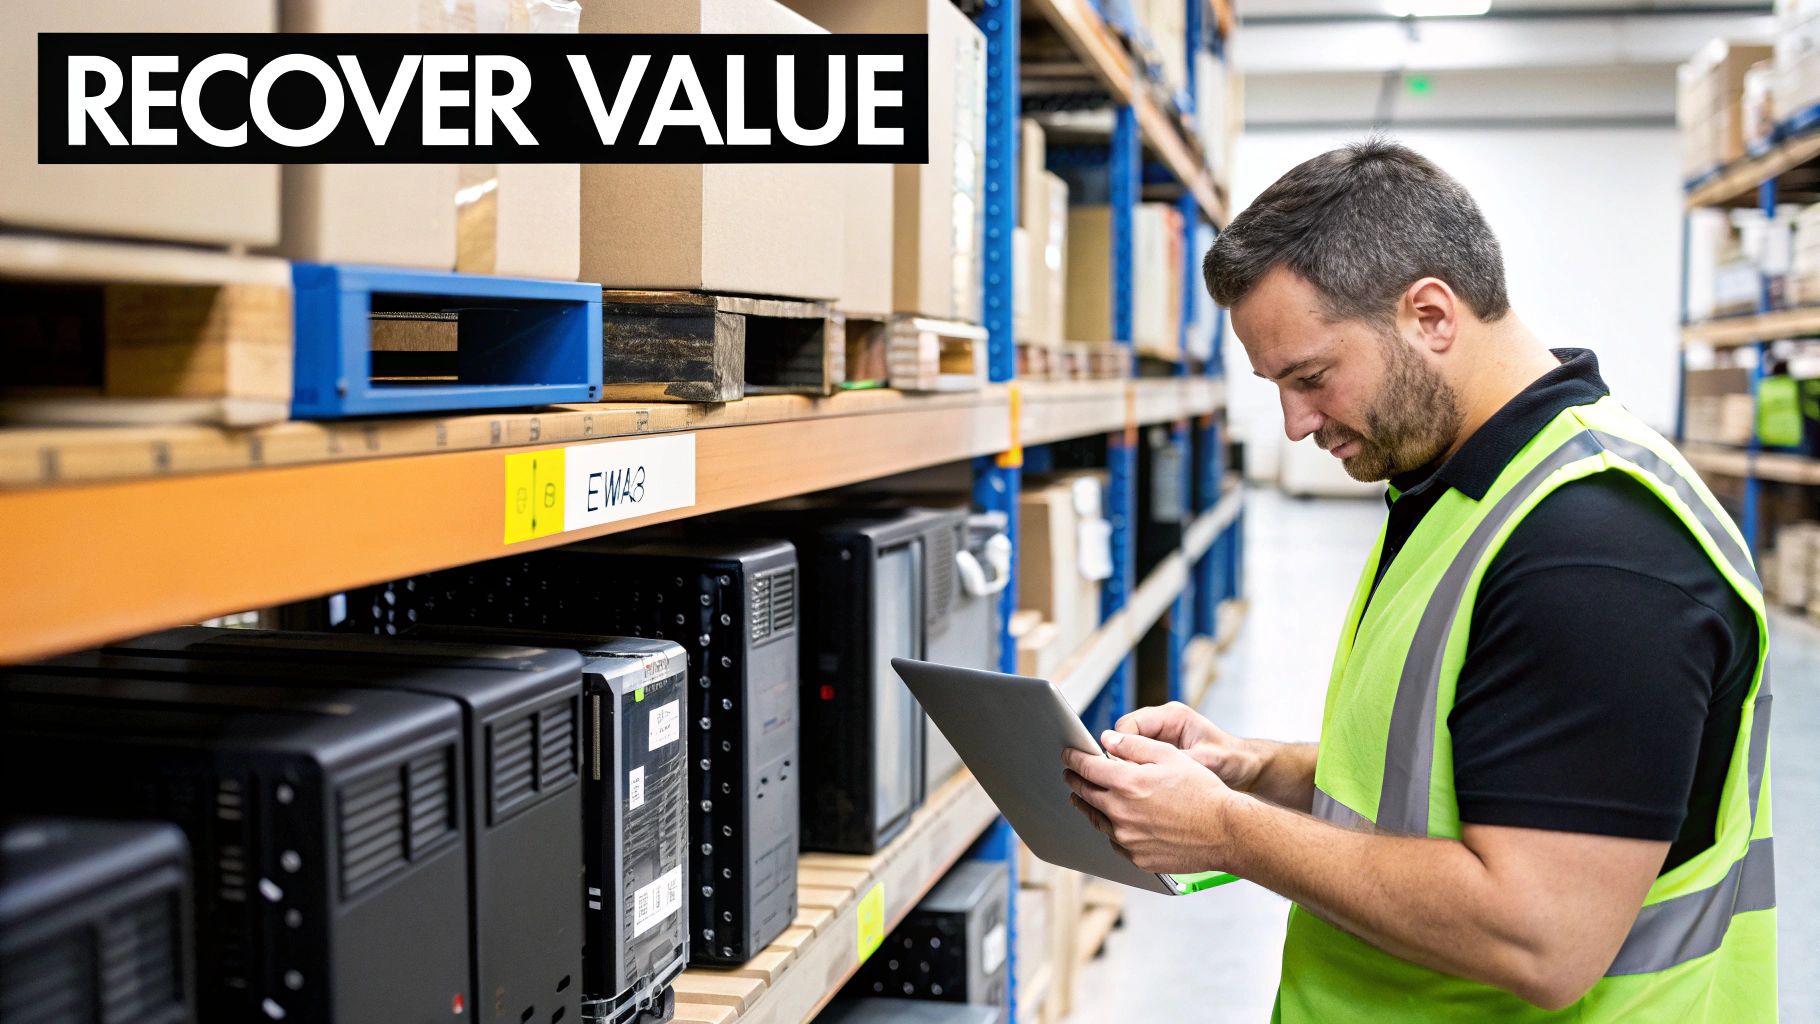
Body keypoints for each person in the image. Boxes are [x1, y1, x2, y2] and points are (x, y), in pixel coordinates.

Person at [1062, 139, 1775, 1021]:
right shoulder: (1459, 488)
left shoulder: (1596, 552)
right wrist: (1253, 769)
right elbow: (1459, 776)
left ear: (1431, 315)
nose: (1294, 424)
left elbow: (1540, 937)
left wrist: (1225, 831)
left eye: (1311, 377)